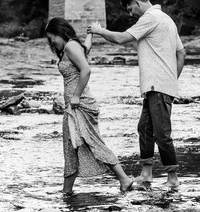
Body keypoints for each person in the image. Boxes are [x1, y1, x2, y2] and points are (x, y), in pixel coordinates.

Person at [88, 0, 185, 189]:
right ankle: (147, 174)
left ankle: (173, 178)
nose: (131, 14)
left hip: (158, 85)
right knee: (145, 129)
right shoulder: (167, 19)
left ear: (138, 3)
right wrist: (172, 80)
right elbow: (181, 54)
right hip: (157, 85)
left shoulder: (150, 18)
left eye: (130, 9)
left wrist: (98, 31)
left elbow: (121, 38)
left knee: (161, 133)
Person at [44, 17, 135, 196]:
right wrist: (91, 34)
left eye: (53, 36)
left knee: (92, 142)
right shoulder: (71, 47)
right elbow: (86, 50)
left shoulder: (70, 46)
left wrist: (76, 95)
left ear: (61, 31)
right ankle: (67, 191)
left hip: (80, 104)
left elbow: (86, 69)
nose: (52, 41)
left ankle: (124, 179)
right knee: (70, 146)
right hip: (73, 107)